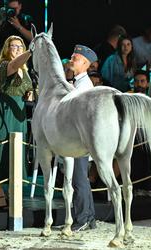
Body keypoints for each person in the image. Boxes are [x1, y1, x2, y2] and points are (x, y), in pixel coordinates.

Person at [0, 35, 33, 208]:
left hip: (18, 111)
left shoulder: (26, 71)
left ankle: (15, 192)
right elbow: (13, 66)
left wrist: (30, 94)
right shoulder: (3, 65)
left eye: (20, 46)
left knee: (16, 151)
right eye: (13, 46)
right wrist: (30, 50)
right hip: (2, 111)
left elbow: (27, 89)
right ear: (7, 48)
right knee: (0, 149)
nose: (17, 49)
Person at [69, 45, 97, 231]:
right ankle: (90, 217)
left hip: (80, 138)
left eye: (76, 58)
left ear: (85, 64)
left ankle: (83, 218)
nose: (71, 60)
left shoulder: (84, 85)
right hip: (76, 137)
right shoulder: (76, 82)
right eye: (71, 56)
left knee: (78, 178)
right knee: (80, 178)